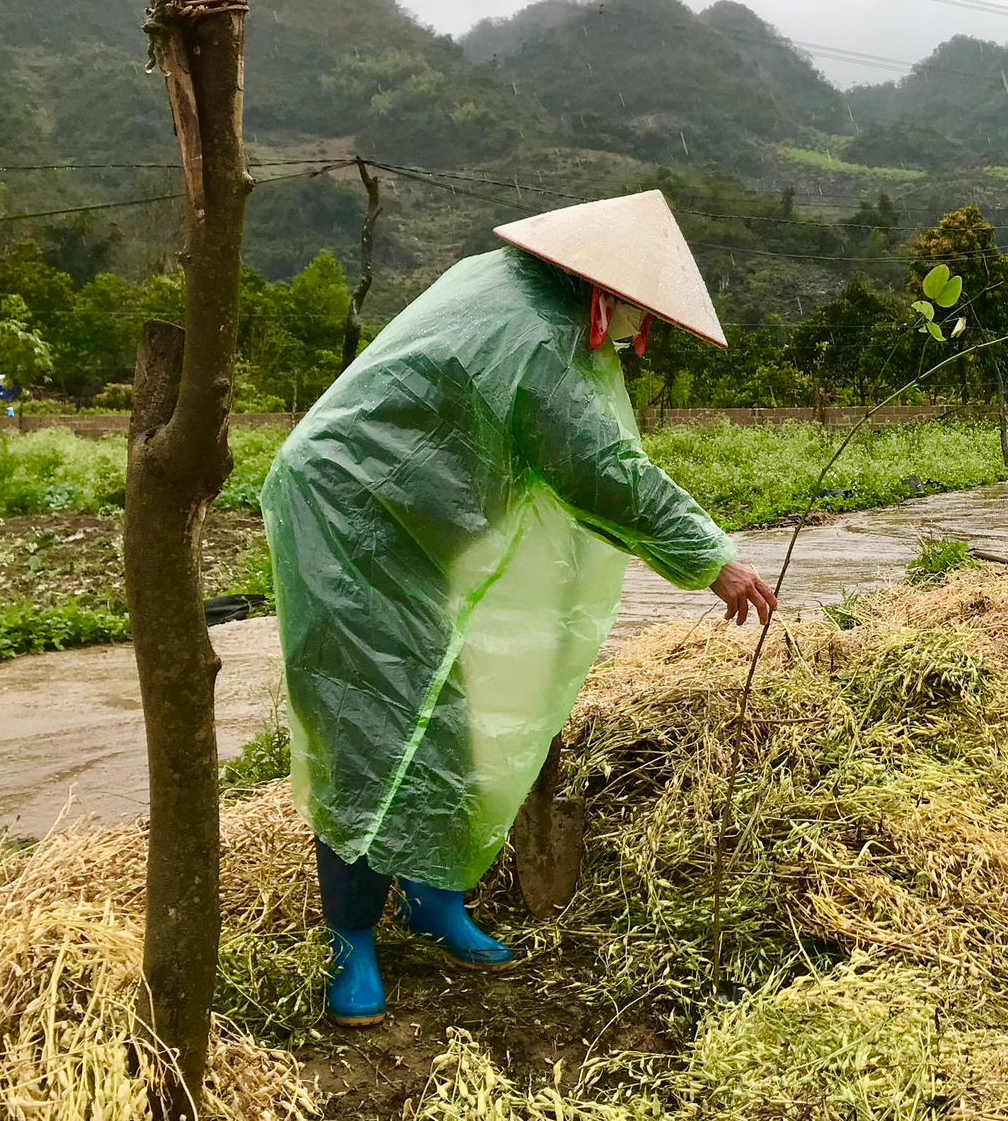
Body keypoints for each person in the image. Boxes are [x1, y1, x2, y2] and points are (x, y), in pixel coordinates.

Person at [262, 192, 779, 1029]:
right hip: (350, 519)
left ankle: (433, 895)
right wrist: (712, 560)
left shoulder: (515, 288)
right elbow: (602, 468)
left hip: (417, 528)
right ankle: (351, 934)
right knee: (367, 727)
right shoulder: (538, 333)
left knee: (449, 704)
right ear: (605, 286)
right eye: (642, 311)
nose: (640, 329)